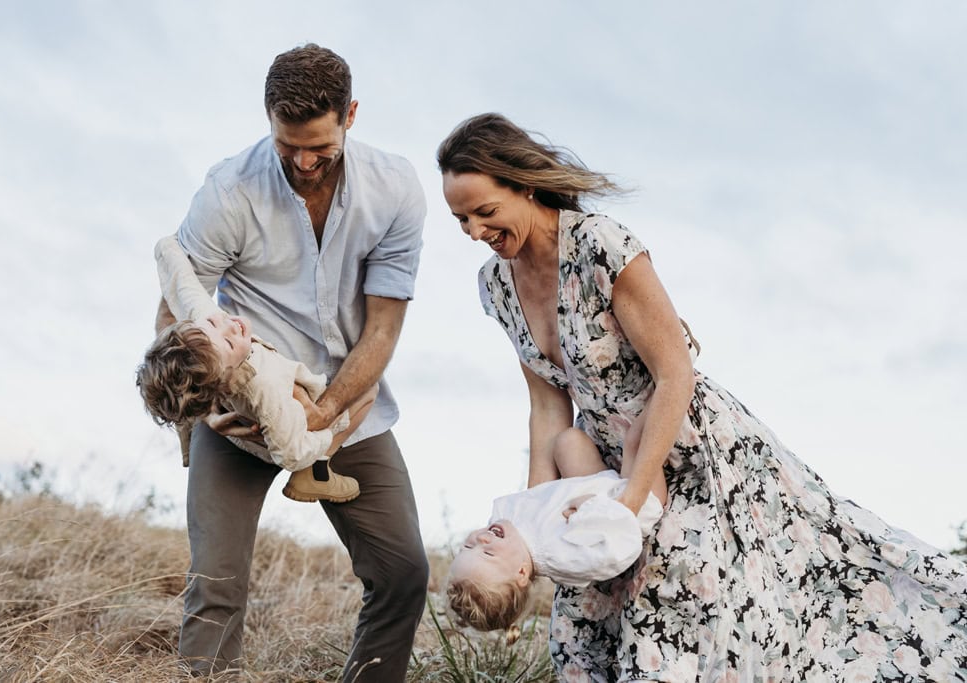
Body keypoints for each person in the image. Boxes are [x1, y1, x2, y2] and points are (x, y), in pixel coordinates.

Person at [437, 112, 967, 682]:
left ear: (523, 184)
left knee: (737, 597)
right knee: (586, 628)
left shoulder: (600, 245)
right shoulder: (496, 285)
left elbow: (675, 373)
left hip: (683, 448)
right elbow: (547, 405)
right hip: (595, 468)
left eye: (484, 212)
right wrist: (535, 520)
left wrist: (629, 500)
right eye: (460, 219)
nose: (474, 232)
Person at [153, 44, 429, 680]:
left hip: (347, 405)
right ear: (268, 120)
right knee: (214, 587)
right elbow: (177, 306)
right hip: (237, 407)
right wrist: (204, 413)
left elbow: (384, 326)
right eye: (287, 146)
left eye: (319, 148)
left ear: (351, 116)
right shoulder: (228, 190)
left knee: (403, 572)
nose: (304, 163)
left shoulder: (394, 188)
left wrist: (325, 414)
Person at [137, 235, 376, 504]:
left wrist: (166, 248)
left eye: (215, 324)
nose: (230, 325)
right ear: (224, 375)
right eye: (228, 342)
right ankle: (317, 470)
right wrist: (320, 436)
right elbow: (290, 452)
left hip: (230, 402)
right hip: (273, 433)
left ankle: (188, 436)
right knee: (368, 389)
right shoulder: (266, 389)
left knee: (188, 386)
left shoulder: (207, 332)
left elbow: (183, 288)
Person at [447, 427, 665, 633]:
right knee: (635, 438)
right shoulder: (562, 558)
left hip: (601, 487)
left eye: (468, 546)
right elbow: (620, 550)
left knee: (567, 443)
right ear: (522, 572)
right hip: (637, 507)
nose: (482, 539)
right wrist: (594, 507)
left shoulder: (512, 531)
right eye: (488, 553)